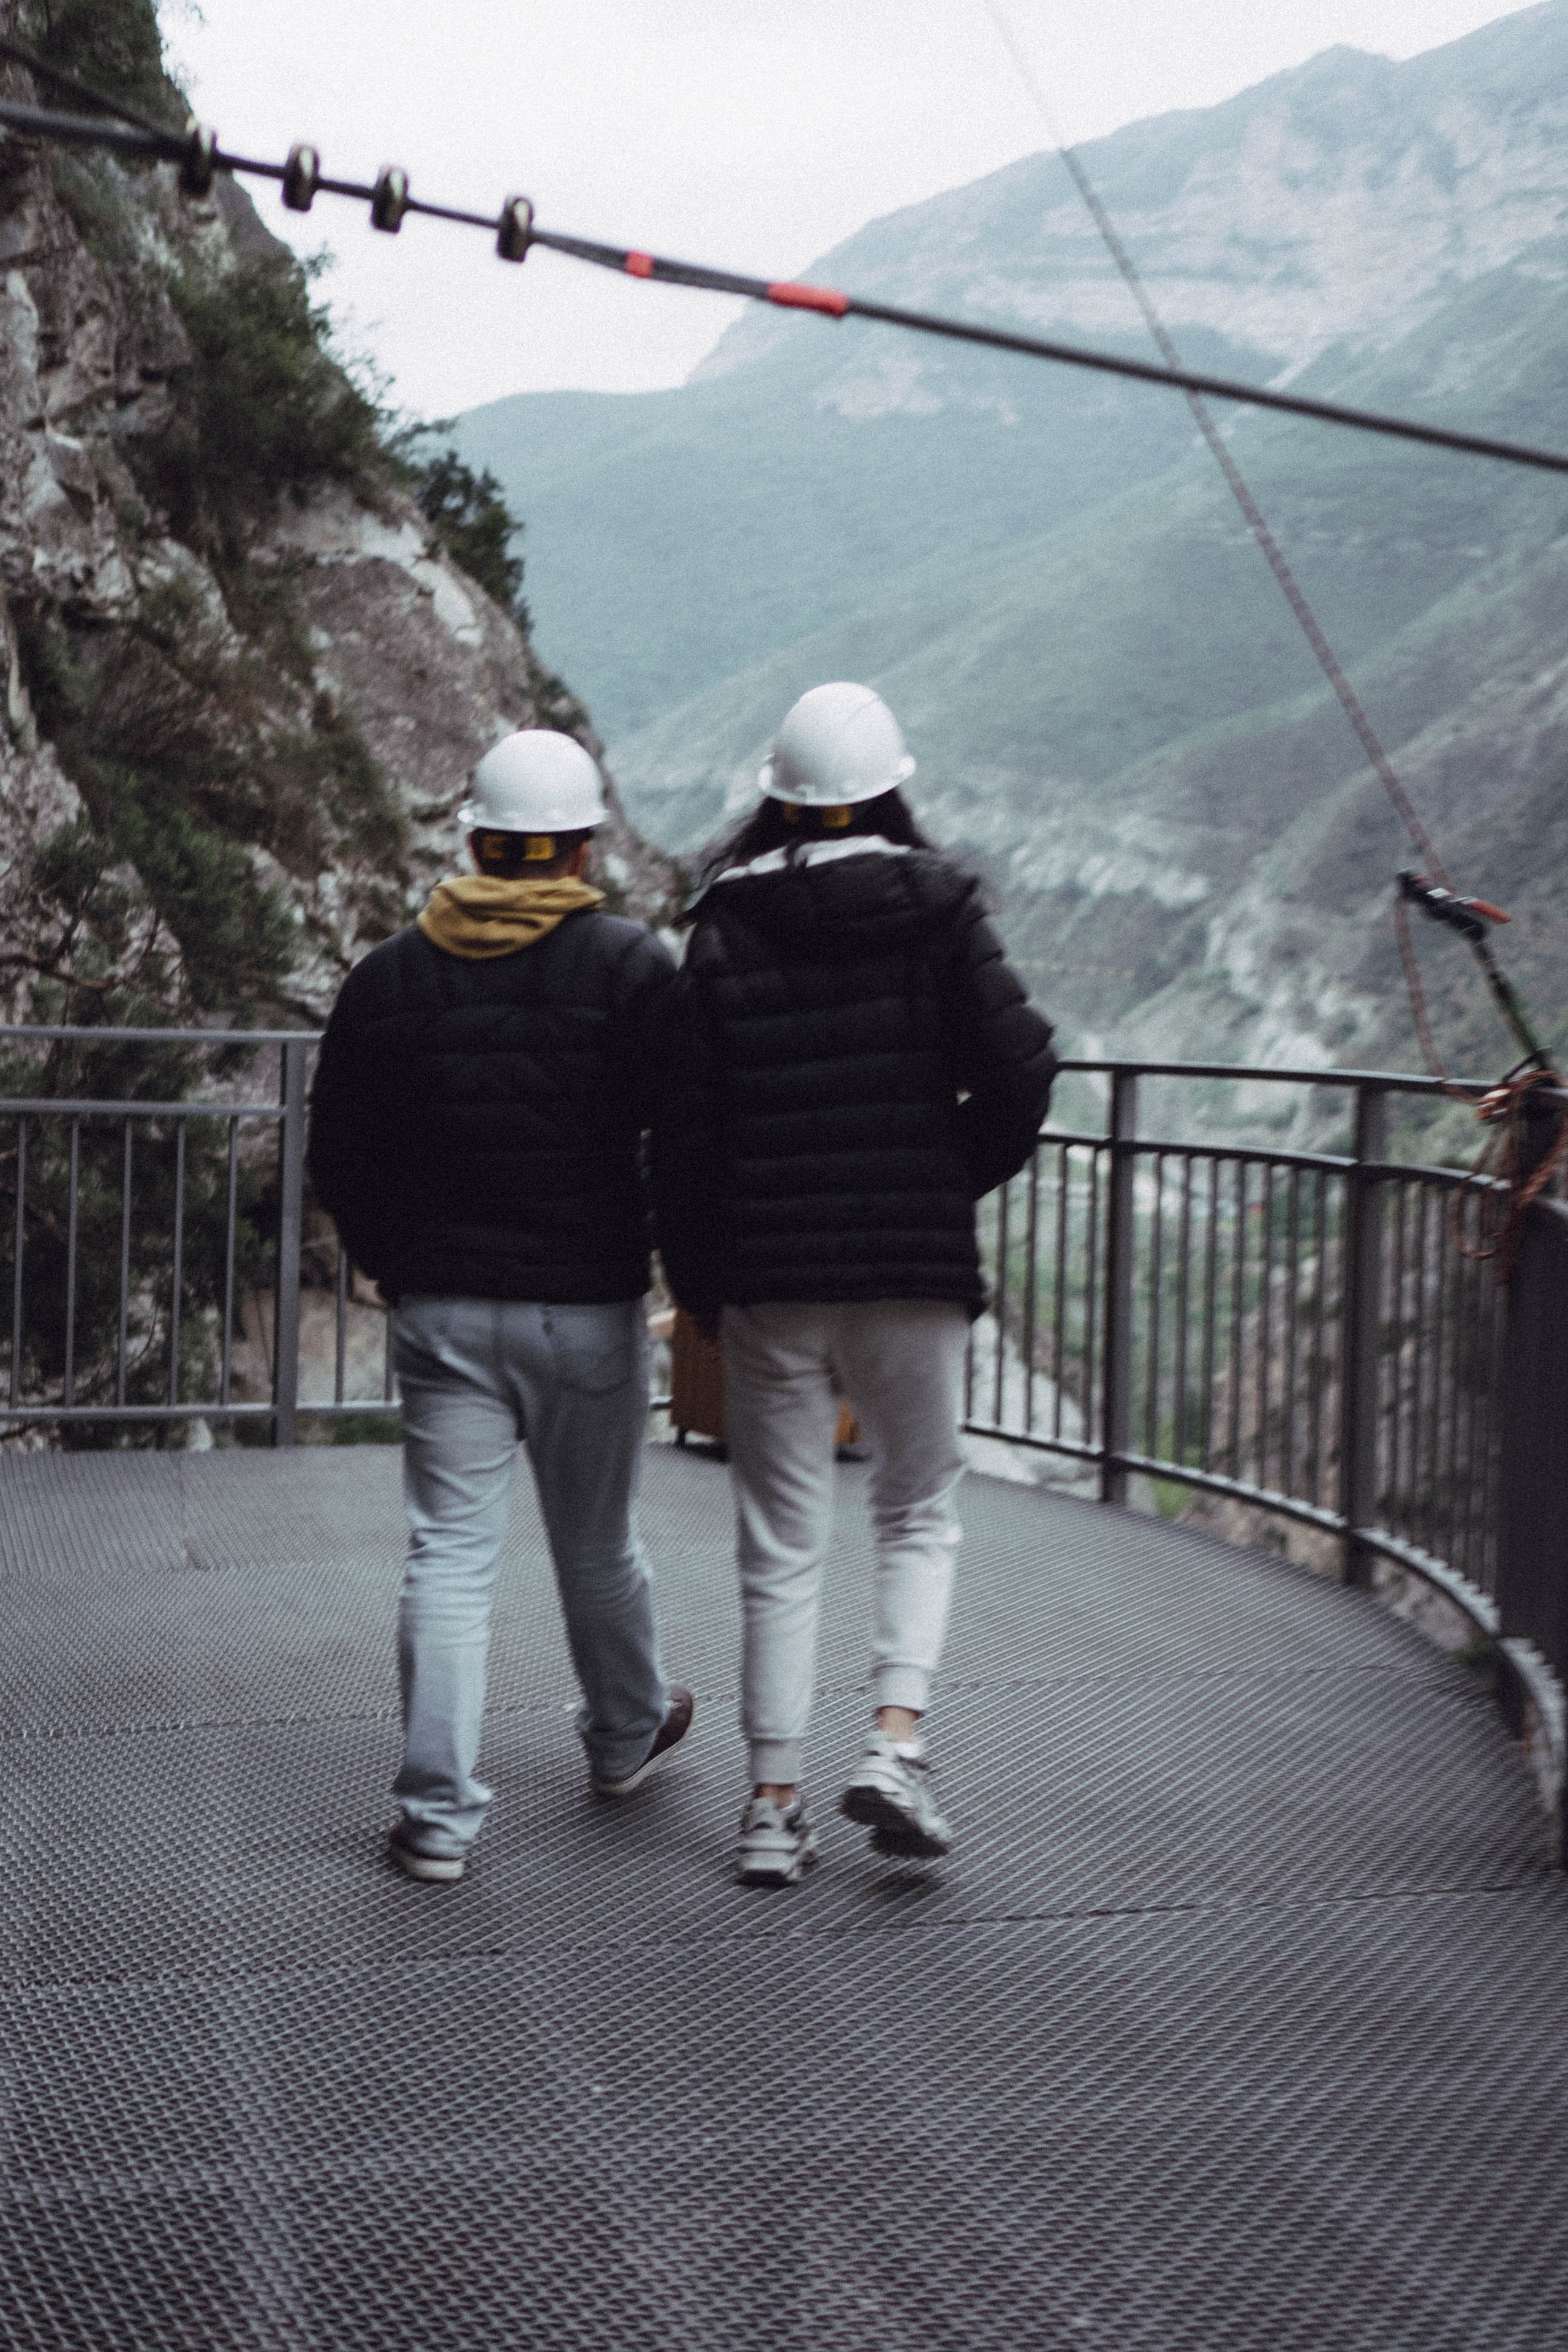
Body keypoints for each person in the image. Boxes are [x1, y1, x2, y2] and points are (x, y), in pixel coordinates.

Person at [652, 682, 1057, 1886]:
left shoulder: (720, 928)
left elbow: (679, 1129)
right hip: (911, 1269)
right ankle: (893, 1739)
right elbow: (1024, 1073)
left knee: (778, 1543)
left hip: (770, 1277)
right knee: (917, 1507)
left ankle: (771, 1810)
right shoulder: (941, 912)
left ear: (775, 797)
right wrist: (946, 1184)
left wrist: (700, 1277)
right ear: (890, 786)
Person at [308, 728, 692, 1884]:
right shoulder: (632, 968)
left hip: (443, 1314)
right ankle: (625, 1735)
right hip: (586, 1311)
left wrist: (392, 1263)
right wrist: (665, 1256)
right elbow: (684, 1136)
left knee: (449, 1557)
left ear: (474, 837)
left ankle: (436, 1817)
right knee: (598, 1546)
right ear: (579, 852)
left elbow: (339, 1153)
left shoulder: (388, 976)